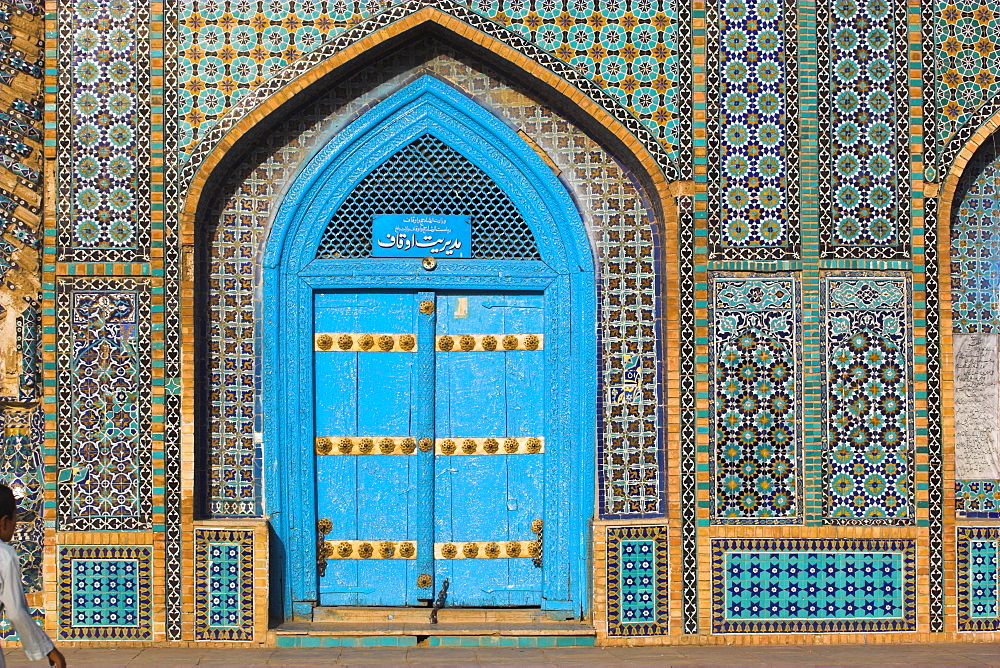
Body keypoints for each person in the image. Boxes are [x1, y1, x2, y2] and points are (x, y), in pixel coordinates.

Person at [0, 485, 64, 667]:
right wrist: (49, 649)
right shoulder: (4, 555)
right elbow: (15, 612)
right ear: (4, 521)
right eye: (15, 520)